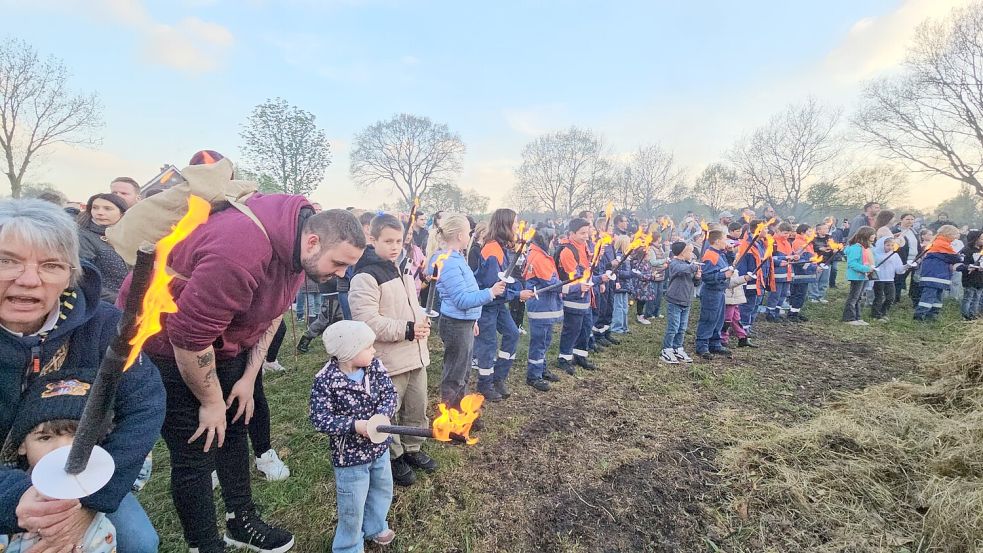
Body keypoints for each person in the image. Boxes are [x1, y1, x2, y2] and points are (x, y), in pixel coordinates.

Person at [119, 152, 366, 552]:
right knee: (197, 446)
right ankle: (205, 543)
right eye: (339, 264)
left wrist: (249, 379)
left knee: (236, 424)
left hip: (227, 341)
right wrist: (211, 399)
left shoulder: (297, 249)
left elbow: (269, 318)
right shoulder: (241, 248)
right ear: (314, 240)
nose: (340, 274)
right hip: (166, 346)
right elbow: (189, 337)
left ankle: (240, 521)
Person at [0, 199, 164, 553]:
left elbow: (145, 405)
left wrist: (88, 502)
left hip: (82, 478)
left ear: (70, 274)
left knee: (139, 542)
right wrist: (12, 499)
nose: (29, 280)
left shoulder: (104, 326)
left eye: (50, 265)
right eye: (6, 261)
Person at [347, 214, 436, 488]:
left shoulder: (403, 269)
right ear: (372, 240)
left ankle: (413, 447)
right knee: (389, 410)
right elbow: (367, 321)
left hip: (415, 354)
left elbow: (412, 305)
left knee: (416, 405)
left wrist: (421, 319)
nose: (395, 246)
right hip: (389, 360)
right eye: (388, 241)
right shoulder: (365, 276)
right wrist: (407, 329)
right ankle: (393, 454)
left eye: (399, 241)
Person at [2, 368, 119, 553]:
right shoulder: (6, 494)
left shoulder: (98, 527)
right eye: (44, 438)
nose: (61, 450)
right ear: (21, 445)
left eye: (76, 437)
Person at [309, 321, 397, 553]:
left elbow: (390, 393)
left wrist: (382, 415)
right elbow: (320, 419)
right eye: (368, 347)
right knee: (353, 503)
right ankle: (348, 546)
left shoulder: (374, 367)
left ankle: (376, 526)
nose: (374, 350)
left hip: (379, 448)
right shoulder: (326, 381)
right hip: (350, 457)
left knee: (382, 488)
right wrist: (354, 425)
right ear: (349, 353)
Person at [431, 213, 505, 408]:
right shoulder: (448, 262)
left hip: (464, 322)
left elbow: (467, 293)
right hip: (455, 324)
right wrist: (491, 292)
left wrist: (473, 321)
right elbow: (462, 299)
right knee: (455, 373)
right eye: (468, 232)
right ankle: (451, 415)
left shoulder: (457, 258)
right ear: (459, 235)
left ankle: (461, 411)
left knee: (463, 371)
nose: (471, 234)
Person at [473, 209, 533, 401]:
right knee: (488, 345)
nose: (517, 226)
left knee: (512, 333)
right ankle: (485, 384)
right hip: (487, 305)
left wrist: (518, 286)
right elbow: (494, 286)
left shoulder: (502, 247)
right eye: (515, 223)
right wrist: (517, 294)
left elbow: (505, 278)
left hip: (498, 305)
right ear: (506, 225)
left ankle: (499, 378)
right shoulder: (492, 250)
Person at [556, 218, 601, 374]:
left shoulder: (584, 247)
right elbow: (576, 277)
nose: (586, 236)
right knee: (572, 329)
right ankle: (564, 358)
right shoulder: (567, 251)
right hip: (573, 296)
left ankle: (580, 355)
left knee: (586, 327)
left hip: (586, 297)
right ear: (571, 233)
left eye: (587, 233)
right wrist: (598, 278)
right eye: (582, 233)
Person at [521, 227, 563, 392]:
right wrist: (572, 286)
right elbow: (551, 283)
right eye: (552, 239)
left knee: (545, 340)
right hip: (540, 307)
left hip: (545, 306)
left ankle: (542, 369)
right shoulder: (539, 257)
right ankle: (534, 375)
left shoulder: (538, 254)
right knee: (539, 342)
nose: (554, 243)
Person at [77, 193, 130, 304]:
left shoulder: (129, 236)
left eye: (107, 209)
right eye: (95, 208)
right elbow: (83, 278)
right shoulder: (83, 236)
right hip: (101, 305)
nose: (100, 212)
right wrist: (119, 300)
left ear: (121, 212)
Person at [694, 230, 732, 359]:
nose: (726, 242)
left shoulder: (721, 254)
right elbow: (706, 276)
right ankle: (702, 345)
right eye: (724, 239)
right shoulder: (711, 255)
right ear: (717, 241)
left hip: (720, 291)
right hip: (711, 292)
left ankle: (715, 343)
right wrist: (723, 275)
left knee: (718, 319)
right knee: (709, 318)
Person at [661, 241, 700, 364]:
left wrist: (697, 277)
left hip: (686, 300)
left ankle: (678, 347)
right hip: (675, 300)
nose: (692, 254)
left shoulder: (687, 264)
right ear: (683, 252)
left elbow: (694, 282)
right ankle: (667, 349)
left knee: (682, 328)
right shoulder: (674, 263)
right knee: (673, 327)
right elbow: (683, 269)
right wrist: (694, 266)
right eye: (690, 251)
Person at [914, 225, 963, 322]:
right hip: (935, 275)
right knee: (929, 296)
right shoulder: (941, 243)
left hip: (937, 275)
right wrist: (960, 258)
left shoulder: (939, 242)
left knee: (937, 297)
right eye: (954, 234)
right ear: (948, 234)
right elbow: (955, 257)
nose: (956, 237)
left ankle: (931, 316)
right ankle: (920, 316)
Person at [842, 226, 876, 325]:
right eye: (872, 233)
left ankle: (857, 316)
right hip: (856, 276)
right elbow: (852, 263)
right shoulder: (855, 248)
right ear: (866, 235)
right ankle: (849, 318)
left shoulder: (866, 248)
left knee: (859, 297)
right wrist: (866, 268)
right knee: (853, 297)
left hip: (863, 276)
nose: (874, 235)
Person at [871, 237, 907, 321]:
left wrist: (906, 266)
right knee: (879, 297)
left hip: (890, 279)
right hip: (878, 279)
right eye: (887, 245)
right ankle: (875, 314)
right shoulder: (875, 253)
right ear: (882, 245)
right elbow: (874, 263)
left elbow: (898, 269)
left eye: (892, 245)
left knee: (891, 297)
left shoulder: (895, 255)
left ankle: (883, 312)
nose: (890, 247)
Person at [765, 223, 795, 322]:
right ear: (778, 231)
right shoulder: (773, 242)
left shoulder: (787, 243)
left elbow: (789, 255)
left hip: (787, 273)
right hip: (777, 273)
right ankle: (770, 313)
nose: (787, 235)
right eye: (785, 233)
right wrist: (779, 263)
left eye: (788, 233)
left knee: (783, 294)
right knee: (775, 294)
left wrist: (794, 257)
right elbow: (769, 258)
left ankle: (777, 312)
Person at [788, 224, 817, 322]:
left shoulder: (807, 243)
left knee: (799, 294)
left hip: (805, 273)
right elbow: (801, 260)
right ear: (802, 232)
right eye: (809, 231)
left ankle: (795, 312)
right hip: (800, 274)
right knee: (799, 294)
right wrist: (813, 267)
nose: (811, 233)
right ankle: (792, 314)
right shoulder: (799, 243)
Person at [959, 230, 983, 320]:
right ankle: (965, 315)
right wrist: (969, 266)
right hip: (970, 278)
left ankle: (973, 314)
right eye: (981, 238)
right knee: (968, 297)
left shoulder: (981, 250)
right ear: (975, 239)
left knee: (977, 297)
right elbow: (961, 263)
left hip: (980, 278)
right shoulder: (966, 250)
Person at [808, 222, 833, 303]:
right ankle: (813, 296)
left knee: (824, 280)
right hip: (817, 263)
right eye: (824, 228)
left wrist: (835, 249)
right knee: (815, 280)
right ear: (818, 230)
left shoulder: (829, 238)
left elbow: (833, 247)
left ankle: (821, 296)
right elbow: (813, 248)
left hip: (827, 262)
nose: (827, 230)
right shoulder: (813, 239)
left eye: (827, 228)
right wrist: (820, 248)